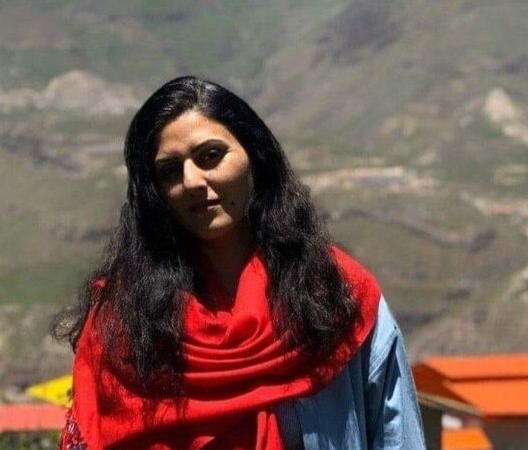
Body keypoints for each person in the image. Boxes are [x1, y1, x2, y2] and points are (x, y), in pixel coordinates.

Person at [52, 76, 425, 449]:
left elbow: (398, 437)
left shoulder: (336, 295)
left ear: (254, 155)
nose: (192, 180)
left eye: (210, 156)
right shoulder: (122, 321)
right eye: (169, 170)